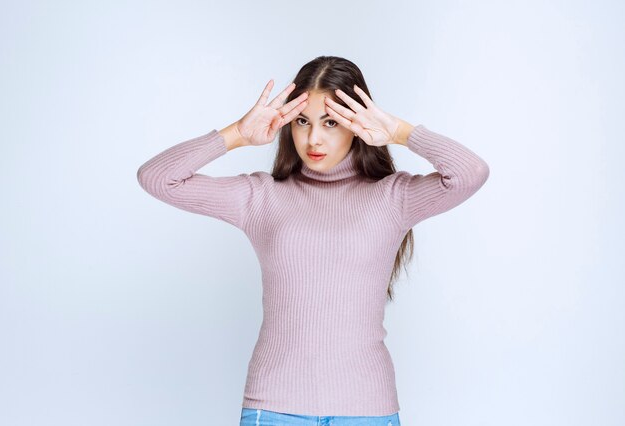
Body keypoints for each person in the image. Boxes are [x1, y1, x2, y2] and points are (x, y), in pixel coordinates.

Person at [137, 56, 490, 426]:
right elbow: (158, 178)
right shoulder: (261, 196)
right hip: (273, 408)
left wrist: (400, 131)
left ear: (358, 124)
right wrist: (238, 134)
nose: (313, 138)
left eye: (331, 122)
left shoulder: (393, 198)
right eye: (302, 122)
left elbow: (470, 173)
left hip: (366, 409)